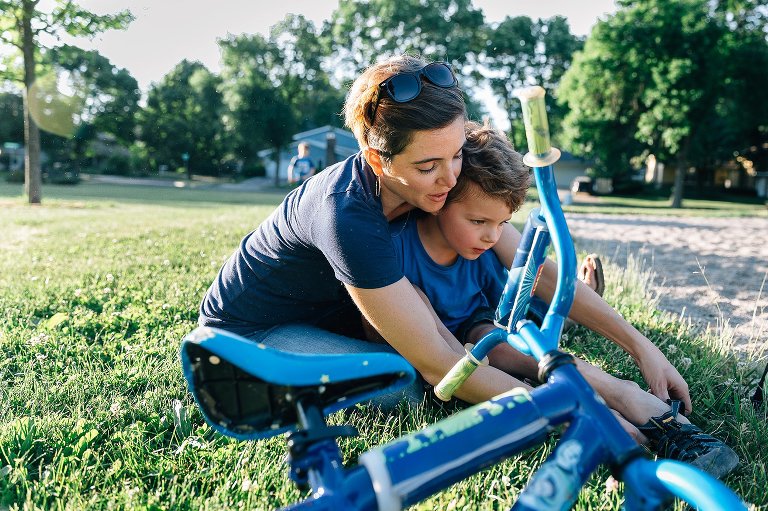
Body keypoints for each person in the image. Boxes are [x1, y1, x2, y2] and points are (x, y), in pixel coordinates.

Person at [197, 54, 726, 471]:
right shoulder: (345, 214)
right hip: (252, 339)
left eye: (455, 155)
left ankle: (631, 401)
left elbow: (536, 269)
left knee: (480, 350)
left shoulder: (437, 182)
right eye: (429, 165)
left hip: (346, 317)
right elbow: (443, 365)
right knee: (408, 386)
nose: (450, 178)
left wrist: (639, 347)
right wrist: (577, 414)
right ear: (378, 159)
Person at [383, 120, 738, 477]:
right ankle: (602, 401)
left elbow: (552, 278)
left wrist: (643, 347)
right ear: (439, 200)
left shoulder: (488, 232)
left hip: (493, 314)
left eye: (503, 223)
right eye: (478, 221)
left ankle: (627, 394)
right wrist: (575, 408)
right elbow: (452, 361)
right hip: (444, 332)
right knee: (494, 350)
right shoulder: (394, 257)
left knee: (520, 337)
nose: (492, 235)